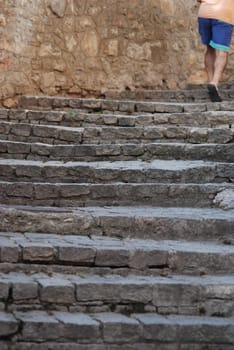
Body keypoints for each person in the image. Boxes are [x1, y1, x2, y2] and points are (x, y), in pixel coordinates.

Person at [197, 0, 234, 102]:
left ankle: (210, 80)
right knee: (221, 51)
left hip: (204, 15)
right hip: (223, 15)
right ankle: (214, 83)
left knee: (209, 48)